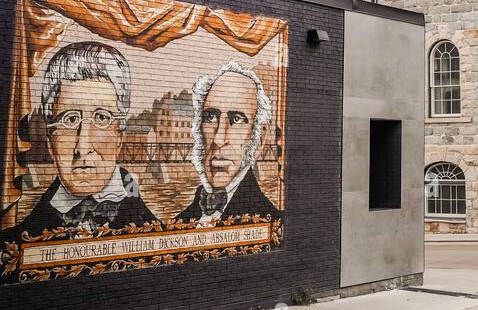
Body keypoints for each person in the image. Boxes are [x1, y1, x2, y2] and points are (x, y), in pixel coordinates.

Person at [11, 41, 157, 238]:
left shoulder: (153, 230)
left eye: (102, 117)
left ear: (120, 136)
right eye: (70, 119)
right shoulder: (17, 240)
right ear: (50, 140)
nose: (83, 146)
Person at [175, 61, 279, 225]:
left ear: (259, 140)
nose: (218, 139)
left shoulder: (269, 221)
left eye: (236, 119)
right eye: (210, 117)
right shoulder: (181, 220)